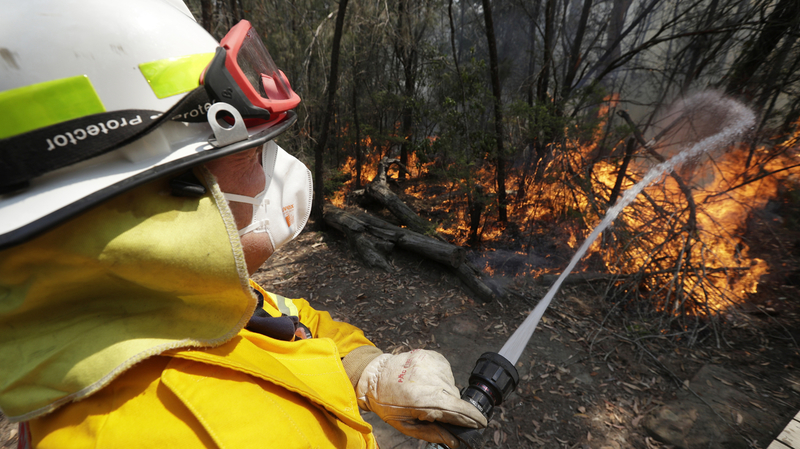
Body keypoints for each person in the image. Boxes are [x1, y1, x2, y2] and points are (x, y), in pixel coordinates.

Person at [0, 1, 488, 448]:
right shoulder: (157, 432)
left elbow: (284, 320)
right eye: (251, 152)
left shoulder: (163, 302)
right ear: (155, 195)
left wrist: (368, 369)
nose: (278, 172)